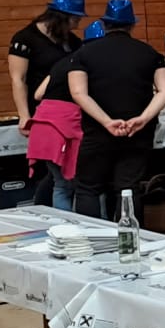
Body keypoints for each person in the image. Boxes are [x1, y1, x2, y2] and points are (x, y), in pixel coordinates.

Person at [67, 0, 165, 220]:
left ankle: (91, 236)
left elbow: (78, 93)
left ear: (105, 24)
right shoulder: (149, 53)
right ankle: (131, 236)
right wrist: (143, 118)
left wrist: (106, 121)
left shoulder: (83, 55)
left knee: (88, 187)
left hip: (97, 132)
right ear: (131, 25)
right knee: (128, 187)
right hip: (137, 133)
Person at [9, 0, 84, 209]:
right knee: (56, 175)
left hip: (68, 114)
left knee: (60, 174)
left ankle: (46, 209)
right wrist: (24, 115)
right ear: (61, 18)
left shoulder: (71, 41)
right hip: (43, 112)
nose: (77, 25)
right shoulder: (25, 39)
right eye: (75, 20)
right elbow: (18, 79)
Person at [26, 19, 102, 211]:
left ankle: (63, 226)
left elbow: (38, 94)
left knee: (60, 184)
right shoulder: (91, 64)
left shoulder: (63, 62)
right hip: (63, 129)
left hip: (41, 126)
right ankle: (92, 224)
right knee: (86, 186)